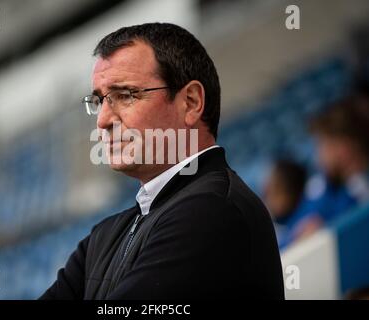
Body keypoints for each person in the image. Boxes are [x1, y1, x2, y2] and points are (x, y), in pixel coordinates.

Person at [40, 23, 284, 299]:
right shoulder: (103, 237)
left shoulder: (212, 211)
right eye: (99, 101)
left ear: (190, 103)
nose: (103, 120)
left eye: (125, 95)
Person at [279, 94, 369, 247]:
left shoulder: (359, 190)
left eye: (324, 145)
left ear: (344, 148)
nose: (319, 154)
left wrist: (323, 229)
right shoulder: (329, 186)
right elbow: (294, 232)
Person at [263, 159, 307, 249]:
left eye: (276, 190)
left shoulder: (311, 217)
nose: (267, 196)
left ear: (291, 194)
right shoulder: (270, 231)